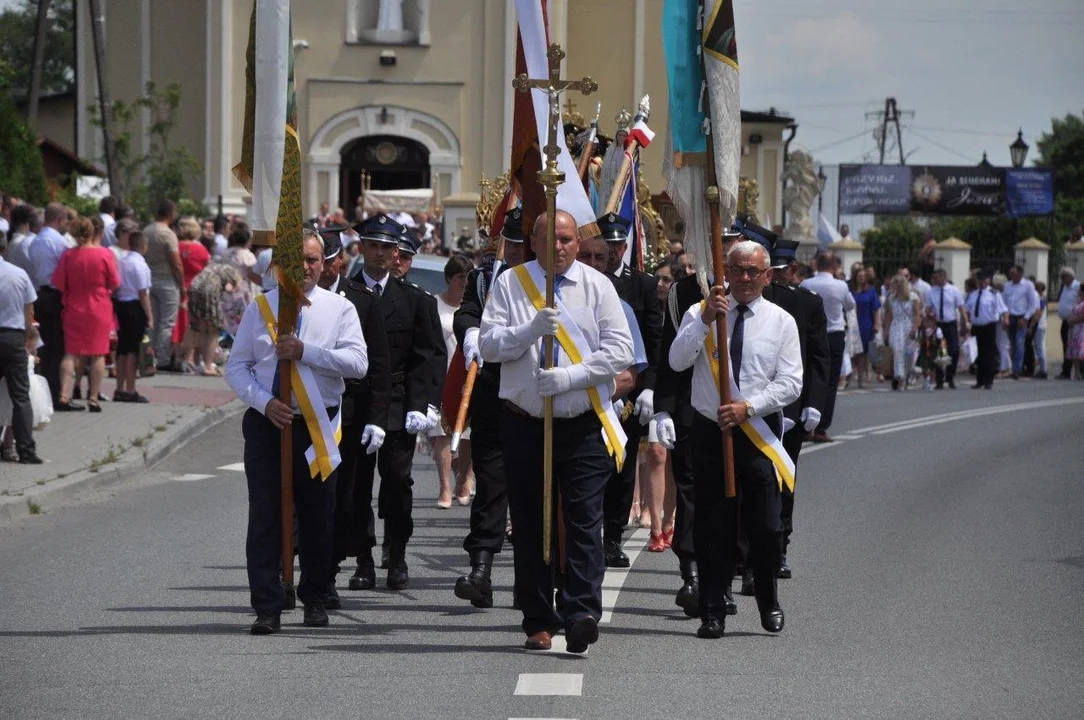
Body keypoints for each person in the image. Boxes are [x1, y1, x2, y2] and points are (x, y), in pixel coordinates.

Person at [480, 209, 633, 654]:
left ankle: (582, 611)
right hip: (525, 422)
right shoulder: (512, 283)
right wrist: (527, 331)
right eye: (553, 240)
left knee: (585, 521)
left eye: (568, 239)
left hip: (582, 423)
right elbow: (488, 346)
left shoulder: (596, 285)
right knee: (531, 523)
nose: (561, 248)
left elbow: (620, 350)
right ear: (535, 242)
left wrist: (572, 377)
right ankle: (537, 618)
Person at [224, 230, 369, 635]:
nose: (304, 268)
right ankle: (268, 604)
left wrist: (308, 353)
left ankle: (315, 597)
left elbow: (358, 364)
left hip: (316, 425)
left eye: (312, 260)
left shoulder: (340, 309)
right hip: (269, 421)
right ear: (279, 266)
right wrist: (262, 402)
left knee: (318, 514)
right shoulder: (261, 308)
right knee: (265, 514)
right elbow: (236, 367)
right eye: (296, 261)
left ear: (324, 264)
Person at [667, 240, 802, 639]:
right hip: (711, 430)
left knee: (764, 523)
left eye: (752, 272)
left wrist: (750, 407)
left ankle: (767, 600)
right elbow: (677, 361)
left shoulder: (781, 321)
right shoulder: (700, 312)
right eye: (737, 270)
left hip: (755, 430)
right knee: (713, 524)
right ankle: (713, 609)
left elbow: (791, 381)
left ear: (768, 276)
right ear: (725, 272)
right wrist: (705, 318)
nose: (744, 279)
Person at [655, 225, 744, 618]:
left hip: (742, 411)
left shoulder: (751, 286)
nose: (723, 248)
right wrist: (662, 406)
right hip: (695, 409)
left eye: (729, 241)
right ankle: (691, 572)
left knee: (734, 498)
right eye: (716, 241)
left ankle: (725, 578)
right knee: (693, 495)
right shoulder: (684, 292)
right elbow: (670, 354)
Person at [348, 215, 436, 592]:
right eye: (373, 246)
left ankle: (396, 555)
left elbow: (428, 356)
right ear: (361, 249)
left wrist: (423, 403)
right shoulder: (346, 296)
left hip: (399, 403)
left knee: (398, 483)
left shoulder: (414, 299)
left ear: (397, 252)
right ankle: (363, 559)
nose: (380, 253)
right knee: (355, 487)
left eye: (387, 247)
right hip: (357, 401)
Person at [452, 208, 527, 609]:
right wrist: (468, 332)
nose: (514, 249)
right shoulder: (486, 278)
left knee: (531, 489)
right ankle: (481, 568)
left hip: (533, 395)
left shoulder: (545, 282)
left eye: (521, 242)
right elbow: (466, 311)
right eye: (510, 242)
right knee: (491, 484)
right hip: (491, 392)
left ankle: (531, 579)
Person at [315, 226, 391, 610]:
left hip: (351, 412)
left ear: (339, 262)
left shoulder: (360, 300)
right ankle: (292, 569)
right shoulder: (291, 300)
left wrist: (378, 416)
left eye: (326, 261)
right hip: (304, 410)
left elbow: (378, 364)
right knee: (305, 497)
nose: (322, 269)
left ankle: (331, 571)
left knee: (346, 497)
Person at [760, 234, 829, 580]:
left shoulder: (808, 304)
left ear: (792, 269)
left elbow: (818, 358)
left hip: (791, 407)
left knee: (784, 479)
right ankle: (747, 552)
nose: (777, 275)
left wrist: (815, 404)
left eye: (781, 269)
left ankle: (780, 546)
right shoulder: (756, 301)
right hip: (755, 405)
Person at [595, 212, 662, 567]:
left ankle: (613, 536)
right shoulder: (587, 282)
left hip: (627, 393)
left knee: (621, 467)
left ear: (626, 246)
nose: (613, 251)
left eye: (619, 245)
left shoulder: (643, 286)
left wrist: (648, 388)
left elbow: (652, 342)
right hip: (590, 387)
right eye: (607, 245)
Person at [52, 217, 120, 412]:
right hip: (99, 307)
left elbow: (59, 283)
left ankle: (64, 395)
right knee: (98, 354)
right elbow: (115, 283)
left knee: (70, 353)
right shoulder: (105, 255)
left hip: (74, 307)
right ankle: (93, 397)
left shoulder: (68, 255)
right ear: (92, 232)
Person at [429, 254, 474, 508]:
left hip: (468, 378)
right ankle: (445, 487)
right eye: (460, 277)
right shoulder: (435, 305)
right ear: (449, 278)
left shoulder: (475, 306)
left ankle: (465, 479)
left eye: (469, 278)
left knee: (467, 435)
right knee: (441, 434)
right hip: (441, 377)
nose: (464, 283)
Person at [800, 252, 855, 442]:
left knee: (809, 377)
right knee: (831, 383)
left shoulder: (807, 284)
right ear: (834, 266)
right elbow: (850, 305)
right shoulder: (841, 285)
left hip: (812, 335)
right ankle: (822, 429)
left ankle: (806, 427)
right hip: (834, 335)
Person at [0, 239, 43, 464]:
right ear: (4, 249)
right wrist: (28, 340)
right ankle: (26, 450)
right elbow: (29, 311)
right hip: (12, 337)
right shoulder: (19, 274)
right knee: (20, 396)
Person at [27, 202, 71, 403]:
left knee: (47, 345)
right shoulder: (59, 243)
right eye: (66, 220)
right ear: (59, 219)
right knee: (59, 345)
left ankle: (47, 391)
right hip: (56, 295)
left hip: (41, 294)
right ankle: (57, 391)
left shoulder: (35, 241)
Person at [112, 230, 154, 403]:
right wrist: (149, 316)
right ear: (144, 246)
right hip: (135, 306)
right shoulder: (140, 265)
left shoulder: (121, 262)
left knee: (121, 349)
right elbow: (143, 293)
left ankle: (119, 387)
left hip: (121, 305)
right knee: (132, 350)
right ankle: (131, 389)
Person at [143, 201, 184, 372]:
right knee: (167, 322)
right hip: (167, 280)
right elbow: (176, 262)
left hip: (149, 278)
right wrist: (181, 284)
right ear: (171, 214)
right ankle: (163, 359)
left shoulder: (146, 230)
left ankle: (149, 356)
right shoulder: (168, 234)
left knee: (152, 321)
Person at [173, 219, 211, 374]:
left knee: (178, 323)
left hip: (178, 286)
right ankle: (191, 358)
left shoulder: (176, 246)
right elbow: (207, 268)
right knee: (194, 325)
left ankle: (177, 357)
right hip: (196, 286)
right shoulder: (201, 249)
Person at [925, 269, 969, 389]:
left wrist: (966, 322)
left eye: (937, 277)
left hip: (950, 323)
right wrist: (928, 319)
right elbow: (928, 308)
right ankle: (939, 380)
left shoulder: (953, 290)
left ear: (944, 277)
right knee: (939, 352)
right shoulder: (931, 292)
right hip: (938, 324)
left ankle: (950, 376)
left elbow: (961, 307)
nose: (935, 280)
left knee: (954, 350)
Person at [966, 271, 1009, 390]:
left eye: (984, 280)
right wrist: (965, 325)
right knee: (978, 354)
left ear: (988, 281)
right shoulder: (973, 294)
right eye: (980, 280)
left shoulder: (994, 294)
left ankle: (988, 380)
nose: (982, 283)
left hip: (989, 326)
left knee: (988, 354)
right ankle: (979, 380)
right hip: (976, 327)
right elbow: (967, 310)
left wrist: (1006, 320)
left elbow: (1003, 309)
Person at [1001, 265, 1041, 379]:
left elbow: (1032, 304)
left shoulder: (1028, 285)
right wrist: (1004, 318)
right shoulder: (1007, 286)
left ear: (1020, 274)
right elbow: (1003, 303)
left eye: (1014, 273)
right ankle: (1014, 367)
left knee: (1019, 343)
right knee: (1012, 344)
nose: (1011, 275)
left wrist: (1026, 318)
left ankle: (1017, 369)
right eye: (1011, 273)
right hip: (1010, 317)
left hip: (1021, 317)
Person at [883, 273, 920, 391]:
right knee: (897, 350)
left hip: (908, 326)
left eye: (895, 283)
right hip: (896, 326)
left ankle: (909, 372)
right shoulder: (891, 298)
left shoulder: (913, 297)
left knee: (909, 353)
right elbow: (889, 316)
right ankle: (900, 377)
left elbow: (917, 315)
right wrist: (886, 330)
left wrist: (914, 328)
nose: (893, 286)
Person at [850, 269, 882, 388]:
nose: (861, 278)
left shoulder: (871, 291)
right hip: (853, 323)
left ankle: (861, 378)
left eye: (863, 276)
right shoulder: (851, 291)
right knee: (853, 352)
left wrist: (876, 324)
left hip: (866, 323)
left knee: (863, 352)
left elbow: (876, 309)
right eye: (859, 276)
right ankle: (849, 375)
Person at [1057, 268, 1080, 379]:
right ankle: (1066, 370)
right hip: (1065, 321)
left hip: (1075, 322)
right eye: (1062, 277)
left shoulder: (1077, 287)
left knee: (1076, 346)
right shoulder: (1064, 287)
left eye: (1064, 277)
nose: (1062, 279)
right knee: (1066, 346)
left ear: (1071, 276)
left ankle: (1075, 371)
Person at [917, 310, 947, 392]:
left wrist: (943, 352)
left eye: (930, 321)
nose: (927, 323)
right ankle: (926, 379)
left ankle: (932, 382)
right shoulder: (921, 330)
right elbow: (919, 340)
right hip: (924, 351)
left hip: (934, 350)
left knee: (933, 367)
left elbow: (941, 341)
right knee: (924, 367)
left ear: (934, 322)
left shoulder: (937, 330)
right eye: (925, 321)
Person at [1033, 281, 1049, 379]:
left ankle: (1043, 369)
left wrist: (1033, 323)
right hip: (1041, 325)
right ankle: (1043, 368)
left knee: (1039, 347)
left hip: (1039, 325)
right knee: (1039, 346)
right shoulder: (1043, 298)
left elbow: (1039, 313)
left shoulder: (1041, 299)